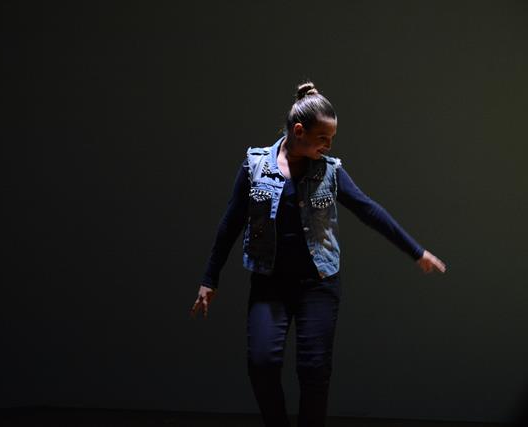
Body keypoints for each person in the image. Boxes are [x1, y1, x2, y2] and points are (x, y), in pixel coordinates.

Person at [190, 81, 447, 427]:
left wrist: (417, 251)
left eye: (332, 139)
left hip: (319, 284)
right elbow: (230, 224)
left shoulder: (329, 170)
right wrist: (210, 279)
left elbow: (368, 210)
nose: (328, 145)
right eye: (322, 138)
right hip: (270, 284)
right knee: (262, 364)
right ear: (299, 131)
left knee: (314, 370)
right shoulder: (255, 166)